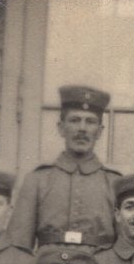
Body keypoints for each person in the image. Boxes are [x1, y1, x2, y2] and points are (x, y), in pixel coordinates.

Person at [7, 84, 121, 250]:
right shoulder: (37, 180)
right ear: (61, 128)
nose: (82, 129)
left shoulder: (114, 183)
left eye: (90, 122)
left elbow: (124, 248)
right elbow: (18, 245)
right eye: (74, 120)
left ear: (99, 132)